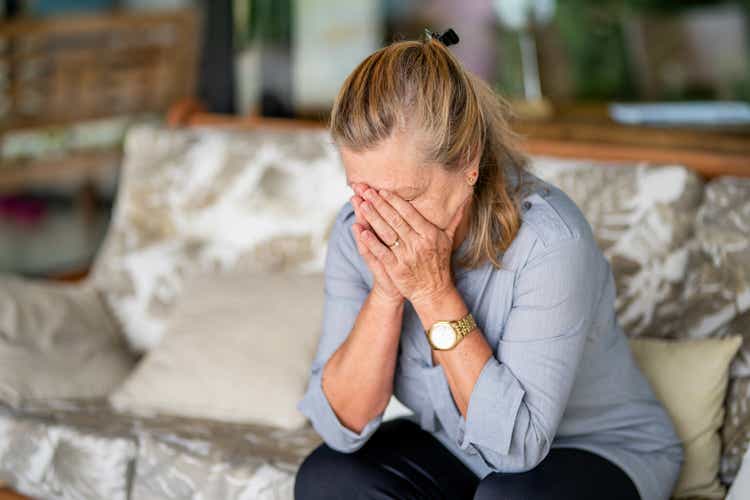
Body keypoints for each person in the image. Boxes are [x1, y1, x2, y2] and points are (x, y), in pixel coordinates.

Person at [294, 28, 683, 500]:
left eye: (408, 197)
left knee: (507, 497)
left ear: (467, 163)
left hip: (595, 450)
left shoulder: (549, 242)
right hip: (460, 450)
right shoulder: (356, 230)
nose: (385, 219)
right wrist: (388, 291)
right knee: (326, 478)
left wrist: (433, 292)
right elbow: (340, 426)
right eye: (366, 192)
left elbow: (517, 451)